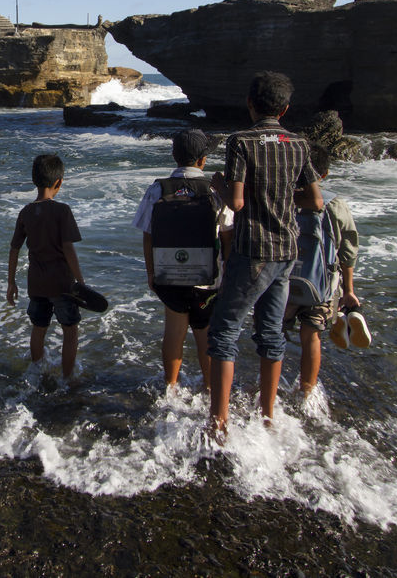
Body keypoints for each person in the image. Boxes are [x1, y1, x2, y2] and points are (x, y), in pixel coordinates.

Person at [207, 72, 322, 433]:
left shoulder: (240, 141)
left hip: (252, 250)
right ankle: (268, 415)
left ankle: (219, 423)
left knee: (224, 333)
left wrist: (219, 185)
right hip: (287, 250)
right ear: (285, 108)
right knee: (271, 333)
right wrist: (285, 198)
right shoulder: (298, 143)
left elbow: (237, 202)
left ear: (250, 104)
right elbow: (315, 200)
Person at [131, 129, 234, 392]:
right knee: (205, 333)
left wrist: (151, 273)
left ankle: (171, 388)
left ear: (174, 156)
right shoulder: (214, 191)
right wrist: (228, 275)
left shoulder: (158, 188)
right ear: (203, 159)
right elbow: (227, 237)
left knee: (174, 331)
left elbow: (147, 235)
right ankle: (211, 391)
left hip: (168, 275)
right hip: (207, 279)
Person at [284, 144, 364, 397]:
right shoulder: (335, 204)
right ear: (325, 174)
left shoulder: (284, 200)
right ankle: (307, 391)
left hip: (282, 281)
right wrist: (349, 291)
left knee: (271, 334)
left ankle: (268, 389)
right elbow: (348, 252)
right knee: (311, 336)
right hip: (322, 284)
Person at [7, 154, 85, 379]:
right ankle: (67, 379)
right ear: (59, 182)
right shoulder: (62, 211)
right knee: (70, 331)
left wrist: (11, 282)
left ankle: (37, 371)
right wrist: (80, 281)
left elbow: (14, 249)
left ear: (34, 180)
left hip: (37, 285)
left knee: (39, 328)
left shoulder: (26, 212)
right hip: (62, 284)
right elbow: (68, 249)